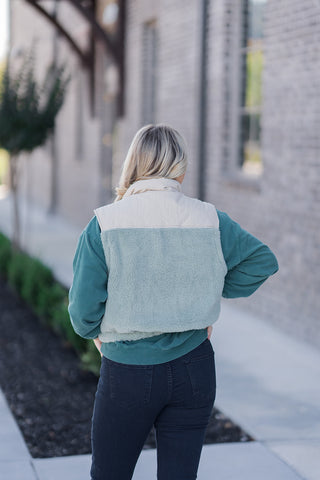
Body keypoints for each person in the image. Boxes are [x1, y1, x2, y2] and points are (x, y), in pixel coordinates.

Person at [68, 124, 279, 480]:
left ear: (134, 163)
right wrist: (209, 291)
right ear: (180, 166)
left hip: (127, 372)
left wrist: (97, 334)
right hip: (194, 368)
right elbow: (263, 261)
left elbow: (82, 314)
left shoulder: (104, 224)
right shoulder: (211, 219)